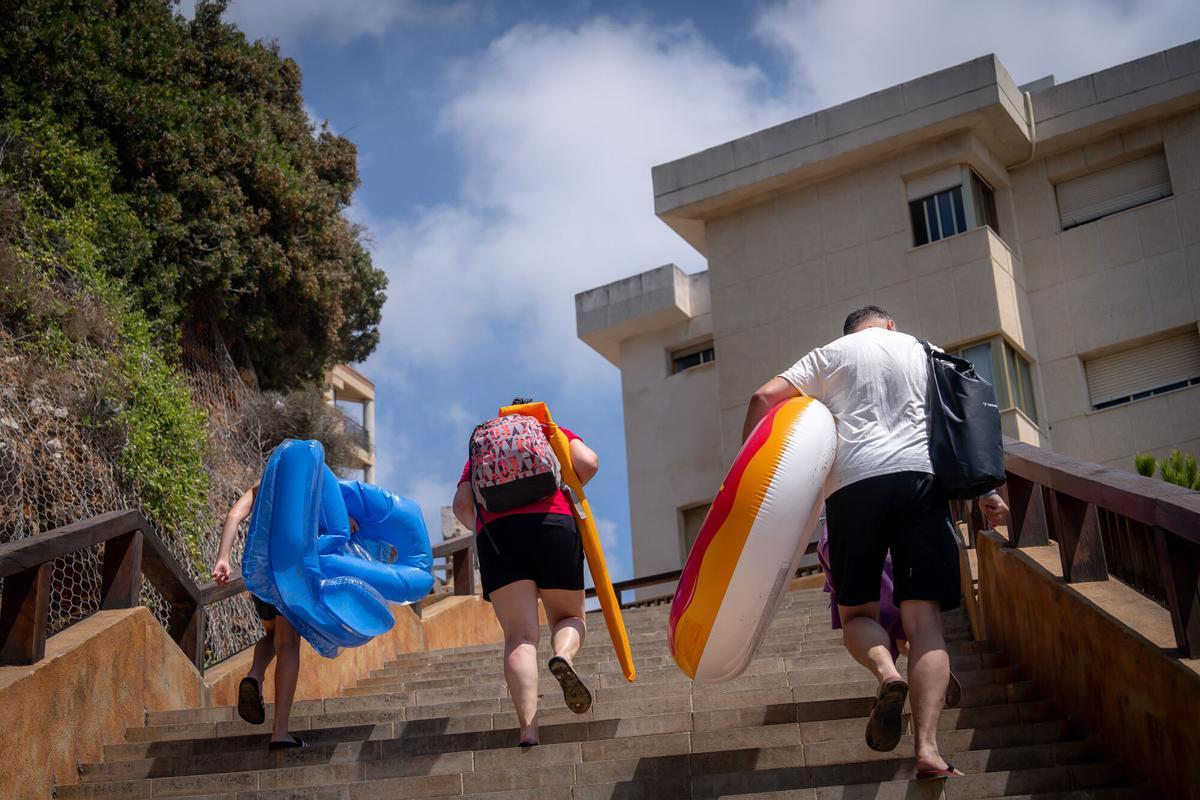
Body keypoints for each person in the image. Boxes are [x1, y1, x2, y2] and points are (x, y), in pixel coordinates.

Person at [743, 305, 985, 780]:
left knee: (858, 613)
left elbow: (762, 397)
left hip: (853, 489)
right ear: (890, 324)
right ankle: (929, 752)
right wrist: (988, 491)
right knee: (925, 624)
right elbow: (963, 422)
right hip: (921, 482)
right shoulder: (924, 349)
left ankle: (887, 675)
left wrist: (747, 472)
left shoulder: (830, 355)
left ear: (850, 331)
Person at [451, 397, 600, 748]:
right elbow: (588, 462)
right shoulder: (550, 430)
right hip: (553, 523)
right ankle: (563, 655)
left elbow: (461, 504)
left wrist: (488, 531)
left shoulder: (485, 446)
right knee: (568, 617)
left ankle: (528, 729)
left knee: (520, 638)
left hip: (499, 538)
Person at [814, 490, 1010, 709]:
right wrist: (986, 491)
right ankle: (929, 666)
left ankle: (888, 675)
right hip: (907, 519)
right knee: (910, 619)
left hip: (844, 525)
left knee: (859, 618)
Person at [212, 481, 312, 750]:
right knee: (289, 644)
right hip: (288, 571)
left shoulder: (262, 484)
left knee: (272, 634)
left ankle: (255, 675)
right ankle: (280, 732)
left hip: (258, 572)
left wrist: (223, 558)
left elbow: (233, 515)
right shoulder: (303, 480)